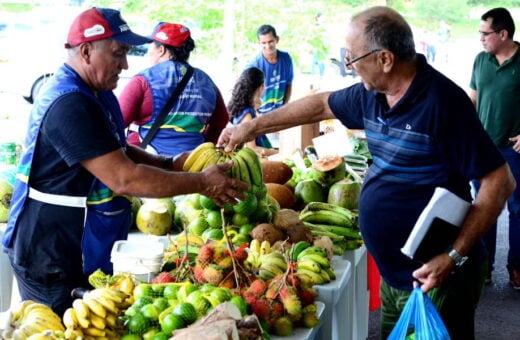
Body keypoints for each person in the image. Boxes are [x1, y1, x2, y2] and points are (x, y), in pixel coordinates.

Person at [218, 6, 516, 338]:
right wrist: (250, 127)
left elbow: (500, 180)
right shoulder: (370, 96)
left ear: (385, 59)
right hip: (395, 276)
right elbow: (320, 104)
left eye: (352, 58)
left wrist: (453, 254)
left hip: (438, 278)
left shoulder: (443, 103)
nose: (350, 67)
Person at [1, 7, 248, 317]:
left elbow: (120, 150)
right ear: (87, 51)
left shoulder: (94, 92)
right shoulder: (69, 103)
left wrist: (171, 164)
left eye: (128, 53)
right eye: (118, 54)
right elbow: (124, 178)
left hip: (73, 244)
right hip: (49, 252)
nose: (126, 64)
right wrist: (202, 182)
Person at [119, 22, 229, 156]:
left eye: (151, 46)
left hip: (149, 165)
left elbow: (117, 121)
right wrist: (202, 147)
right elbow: (222, 119)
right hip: (193, 164)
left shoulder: (143, 80)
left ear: (161, 50)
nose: (149, 52)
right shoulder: (207, 81)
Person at [469, 7, 520, 289]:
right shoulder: (481, 60)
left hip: (514, 149)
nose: (481, 39)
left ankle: (516, 268)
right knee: (483, 207)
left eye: (485, 33)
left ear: (503, 34)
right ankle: (483, 267)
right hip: (484, 147)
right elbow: (473, 99)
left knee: (518, 209)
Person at [246, 24, 294, 148]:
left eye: (270, 41)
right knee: (267, 151)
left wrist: (283, 108)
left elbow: (288, 84)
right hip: (261, 118)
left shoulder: (286, 58)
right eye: (264, 43)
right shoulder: (254, 64)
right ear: (259, 43)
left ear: (277, 39)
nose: (268, 46)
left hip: (279, 116)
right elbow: (245, 93)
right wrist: (257, 114)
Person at [227, 66, 277, 157]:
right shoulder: (247, 114)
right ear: (261, 87)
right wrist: (280, 153)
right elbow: (252, 149)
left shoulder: (244, 108)